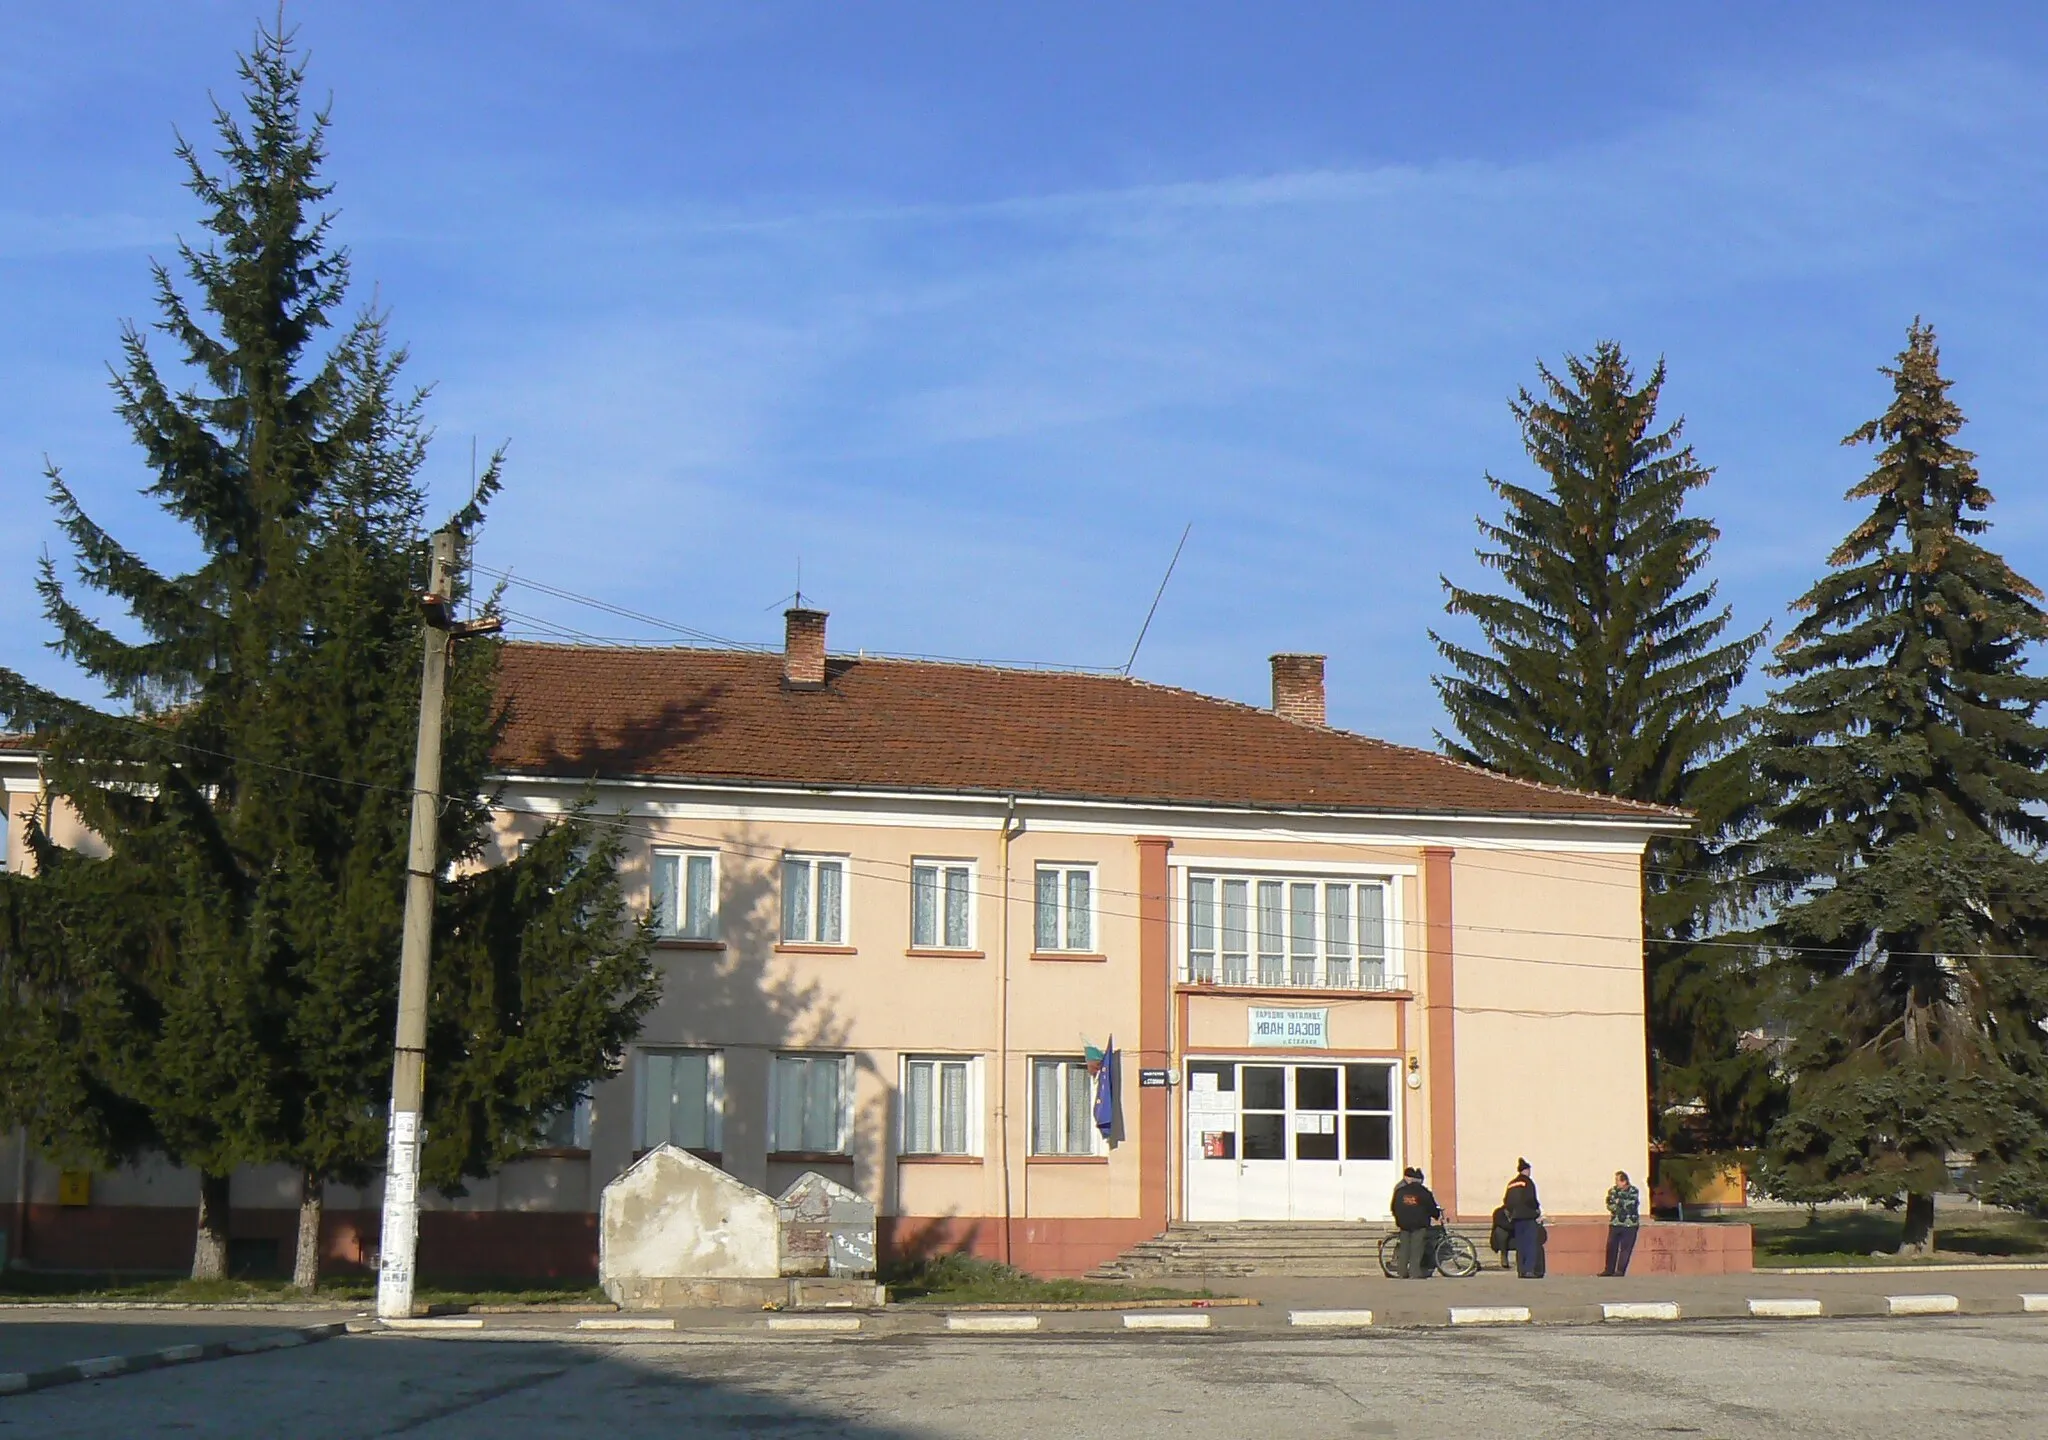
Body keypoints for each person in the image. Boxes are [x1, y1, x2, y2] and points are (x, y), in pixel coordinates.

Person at [1389, 1166, 1441, 1279]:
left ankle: (1401, 1272)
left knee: (1404, 1248)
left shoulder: (1400, 1191)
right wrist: (1436, 1215)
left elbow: (1393, 1207)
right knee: (1416, 1248)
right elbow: (1431, 1207)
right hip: (1419, 1224)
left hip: (1403, 1224)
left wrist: (1398, 1218)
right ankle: (1414, 1272)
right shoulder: (1424, 1192)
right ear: (1420, 1180)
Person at [1503, 1158, 1544, 1278]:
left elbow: (1506, 1201)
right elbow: (1531, 1199)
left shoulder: (1511, 1183)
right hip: (1528, 1216)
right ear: (1526, 1170)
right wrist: (1536, 1210)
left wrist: (1511, 1213)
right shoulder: (1527, 1182)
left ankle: (1521, 1270)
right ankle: (1529, 1270)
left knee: (1520, 1246)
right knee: (1530, 1244)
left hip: (1516, 1218)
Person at [1602, 1170, 1642, 1276]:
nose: (1616, 1183)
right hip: (1616, 1222)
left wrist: (1619, 1202)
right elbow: (1610, 1204)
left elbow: (1632, 1205)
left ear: (1624, 1181)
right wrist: (1619, 1205)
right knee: (1611, 1246)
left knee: (1625, 1248)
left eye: (1617, 1180)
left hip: (1630, 1224)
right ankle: (1609, 1270)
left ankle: (1620, 1271)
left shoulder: (1633, 1190)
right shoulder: (1613, 1191)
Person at [1489, 1203, 1515, 1271]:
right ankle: (1504, 1257)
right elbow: (1502, 1224)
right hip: (1501, 1239)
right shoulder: (1499, 1212)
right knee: (1501, 1231)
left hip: (1514, 1236)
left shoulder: (1518, 1212)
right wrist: (1512, 1226)